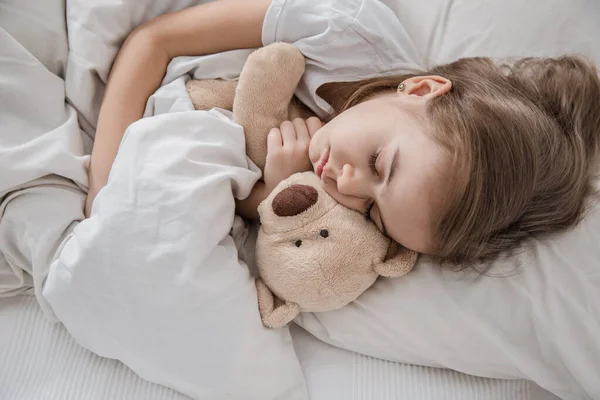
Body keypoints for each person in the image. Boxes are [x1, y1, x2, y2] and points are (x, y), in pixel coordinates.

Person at [85, 0, 600, 265]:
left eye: (375, 212)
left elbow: (258, 210)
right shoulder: (343, 29)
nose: (347, 185)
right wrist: (100, 196)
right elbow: (154, 39)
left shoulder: (335, 200)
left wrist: (271, 192)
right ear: (421, 89)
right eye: (380, 164)